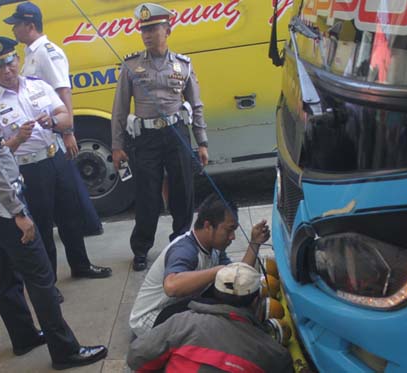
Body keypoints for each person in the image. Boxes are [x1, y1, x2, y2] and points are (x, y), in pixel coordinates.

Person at [0, 43, 108, 369]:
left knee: (4, 277)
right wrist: (18, 212)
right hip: (2, 206)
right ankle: (65, 351)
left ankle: (24, 336)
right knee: (41, 277)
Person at [0, 37, 112, 301]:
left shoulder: (38, 86)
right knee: (41, 227)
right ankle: (48, 283)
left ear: (17, 60)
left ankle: (81, 265)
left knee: (71, 216)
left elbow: (65, 115)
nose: (6, 71)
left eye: (9, 63)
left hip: (56, 159)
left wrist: (53, 121)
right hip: (28, 168)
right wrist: (17, 138)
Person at [111, 3, 209, 271]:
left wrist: (202, 142)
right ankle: (141, 249)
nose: (147, 34)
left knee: (183, 193)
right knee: (147, 196)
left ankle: (180, 242)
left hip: (177, 134)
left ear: (167, 30)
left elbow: (196, 105)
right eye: (144, 29)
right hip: (146, 138)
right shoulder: (131, 66)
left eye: (153, 29)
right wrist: (117, 146)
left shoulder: (183, 65)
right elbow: (119, 109)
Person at [5, 1, 103, 236]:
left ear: (29, 25)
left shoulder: (47, 53)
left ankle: (89, 225)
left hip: (54, 131)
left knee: (69, 189)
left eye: (16, 25)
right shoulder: (31, 54)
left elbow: (62, 91)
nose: (13, 30)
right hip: (43, 131)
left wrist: (67, 131)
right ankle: (87, 225)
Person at [129, 194, 270, 337]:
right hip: (151, 317)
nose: (232, 236)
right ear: (208, 226)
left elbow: (238, 279)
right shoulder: (185, 250)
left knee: (233, 301)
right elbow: (171, 287)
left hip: (180, 308)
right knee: (217, 335)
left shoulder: (215, 248)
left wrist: (255, 243)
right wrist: (217, 271)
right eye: (229, 229)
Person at [127, 262, 294, 373]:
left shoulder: (182, 322)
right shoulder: (274, 354)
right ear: (257, 301)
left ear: (215, 293)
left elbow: (136, 357)